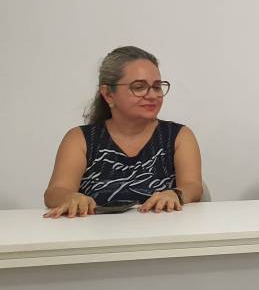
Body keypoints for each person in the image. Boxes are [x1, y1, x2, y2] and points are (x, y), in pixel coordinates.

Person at [44, 46, 203, 217]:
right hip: (97, 231)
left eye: (157, 87)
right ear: (108, 94)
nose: (152, 95)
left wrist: (176, 194)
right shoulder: (80, 139)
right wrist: (70, 197)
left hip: (163, 230)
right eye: (139, 87)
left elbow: (193, 186)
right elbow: (55, 192)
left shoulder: (179, 136)